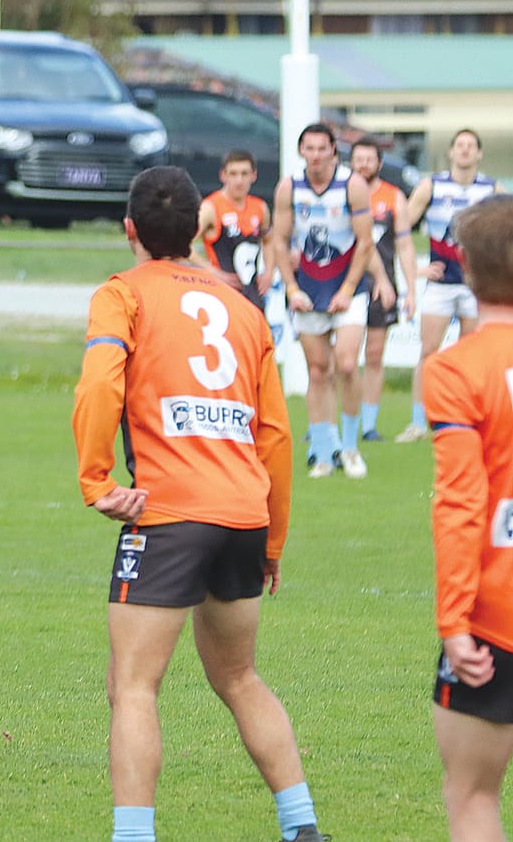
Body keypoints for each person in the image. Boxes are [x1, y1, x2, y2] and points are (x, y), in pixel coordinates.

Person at [73, 166, 320, 842]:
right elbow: (275, 433)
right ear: (200, 229)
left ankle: (132, 834)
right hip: (243, 512)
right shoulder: (243, 308)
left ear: (130, 230)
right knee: (239, 675)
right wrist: (273, 541)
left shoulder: (122, 294)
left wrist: (96, 478)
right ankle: (302, 824)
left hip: (168, 511)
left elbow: (99, 383)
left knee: (132, 684)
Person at [423, 193, 513, 841]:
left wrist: (454, 622)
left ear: (465, 267)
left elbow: (462, 503)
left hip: (495, 615)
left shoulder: (456, 369)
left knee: (474, 795)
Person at [269, 123, 373, 479]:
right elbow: (280, 241)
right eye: (308, 149)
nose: (315, 155)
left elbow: (365, 242)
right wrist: (292, 288)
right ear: (301, 151)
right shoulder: (289, 188)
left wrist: (347, 290)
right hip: (308, 290)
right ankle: (324, 451)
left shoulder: (352, 185)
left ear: (333, 151)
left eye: (321, 148)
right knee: (318, 370)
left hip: (347, 288)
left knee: (346, 364)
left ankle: (350, 446)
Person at [400, 130, 502, 443]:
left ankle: (471, 415)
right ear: (451, 152)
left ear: (479, 154)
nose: (465, 151)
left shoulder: (492, 189)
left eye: (471, 146)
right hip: (441, 283)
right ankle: (419, 421)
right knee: (429, 351)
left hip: (475, 287)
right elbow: (401, 228)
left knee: (473, 353)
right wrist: (416, 270)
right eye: (460, 145)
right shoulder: (432, 186)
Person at [349, 138, 412, 442]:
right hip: (347, 284)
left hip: (382, 284)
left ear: (379, 163)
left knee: (374, 355)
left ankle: (369, 426)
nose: (362, 164)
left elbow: (404, 245)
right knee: (341, 358)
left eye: (368, 159)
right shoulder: (342, 193)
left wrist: (411, 287)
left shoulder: (393, 196)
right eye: (357, 159)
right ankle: (331, 423)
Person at [195, 149, 274, 313]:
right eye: (233, 174)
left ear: (254, 176)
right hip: (223, 295)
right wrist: (213, 272)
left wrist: (268, 272)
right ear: (223, 175)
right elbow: (183, 245)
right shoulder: (211, 208)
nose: (239, 180)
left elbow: (268, 240)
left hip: (253, 296)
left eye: (245, 174)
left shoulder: (260, 207)